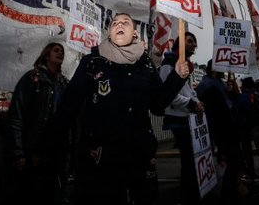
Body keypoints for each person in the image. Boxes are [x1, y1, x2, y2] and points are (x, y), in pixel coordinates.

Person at [59, 13, 190, 204]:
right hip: (100, 161)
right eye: (115, 23)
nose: (119, 24)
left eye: (125, 22)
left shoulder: (145, 64)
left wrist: (176, 77)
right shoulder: (92, 62)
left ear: (135, 34)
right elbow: (68, 107)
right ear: (110, 32)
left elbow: (157, 105)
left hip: (139, 158)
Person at [7, 42, 70, 204]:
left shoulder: (64, 84)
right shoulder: (32, 79)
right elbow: (16, 115)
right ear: (47, 55)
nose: (60, 53)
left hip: (55, 154)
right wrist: (18, 151)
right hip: (32, 151)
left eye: (62, 51)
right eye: (56, 50)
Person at [159, 32, 205, 204]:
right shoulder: (168, 64)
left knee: (193, 160)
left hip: (189, 119)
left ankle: (193, 192)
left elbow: (187, 92)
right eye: (190, 41)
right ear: (180, 43)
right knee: (188, 161)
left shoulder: (187, 66)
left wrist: (197, 101)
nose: (194, 45)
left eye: (195, 42)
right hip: (179, 120)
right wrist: (191, 104)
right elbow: (167, 95)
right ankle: (188, 196)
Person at [196, 60, 240, 204]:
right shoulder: (206, 84)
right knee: (230, 160)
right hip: (219, 128)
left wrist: (231, 91)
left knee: (231, 160)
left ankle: (229, 189)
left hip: (229, 127)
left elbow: (230, 103)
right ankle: (226, 192)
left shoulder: (221, 82)